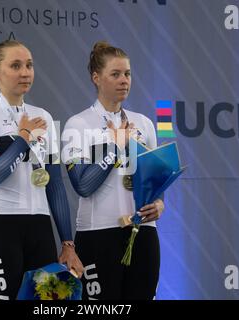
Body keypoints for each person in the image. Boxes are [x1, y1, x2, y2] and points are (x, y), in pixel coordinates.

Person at [0, 39, 83, 300]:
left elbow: (54, 185)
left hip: (40, 231)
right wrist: (23, 138)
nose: (25, 72)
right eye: (15, 65)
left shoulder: (43, 116)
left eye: (29, 65)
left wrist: (67, 243)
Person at [61, 41, 165, 300]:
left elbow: (155, 180)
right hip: (99, 236)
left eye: (127, 74)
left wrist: (160, 203)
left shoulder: (144, 123)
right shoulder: (78, 124)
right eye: (115, 74)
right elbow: (82, 186)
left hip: (144, 234)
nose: (124, 80)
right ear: (96, 78)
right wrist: (115, 147)